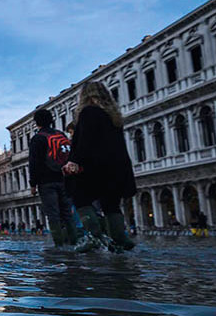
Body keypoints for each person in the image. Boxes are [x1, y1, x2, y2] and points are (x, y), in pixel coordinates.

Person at [63, 81, 136, 251]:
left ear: (85, 96)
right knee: (111, 203)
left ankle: (94, 236)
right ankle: (120, 239)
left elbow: (85, 142)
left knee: (78, 195)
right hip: (118, 167)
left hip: (96, 166)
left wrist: (74, 162)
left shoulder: (88, 112)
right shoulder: (113, 115)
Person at [29, 108, 77, 247]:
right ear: (51, 120)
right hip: (65, 179)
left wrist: (33, 184)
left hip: (46, 182)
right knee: (67, 213)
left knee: (53, 214)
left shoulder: (38, 138)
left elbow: (34, 163)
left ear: (36, 122)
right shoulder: (61, 134)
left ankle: (59, 245)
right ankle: (75, 243)